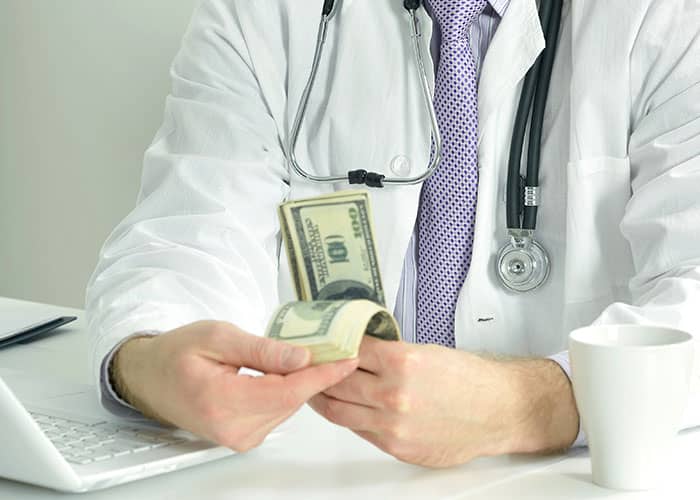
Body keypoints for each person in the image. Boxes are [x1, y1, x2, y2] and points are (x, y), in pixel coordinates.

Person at [86, 0, 700, 468]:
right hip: (316, 469)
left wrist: (535, 403)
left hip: (566, 475)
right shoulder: (264, 12)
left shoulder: (667, 17)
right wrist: (145, 362)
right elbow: (190, 229)